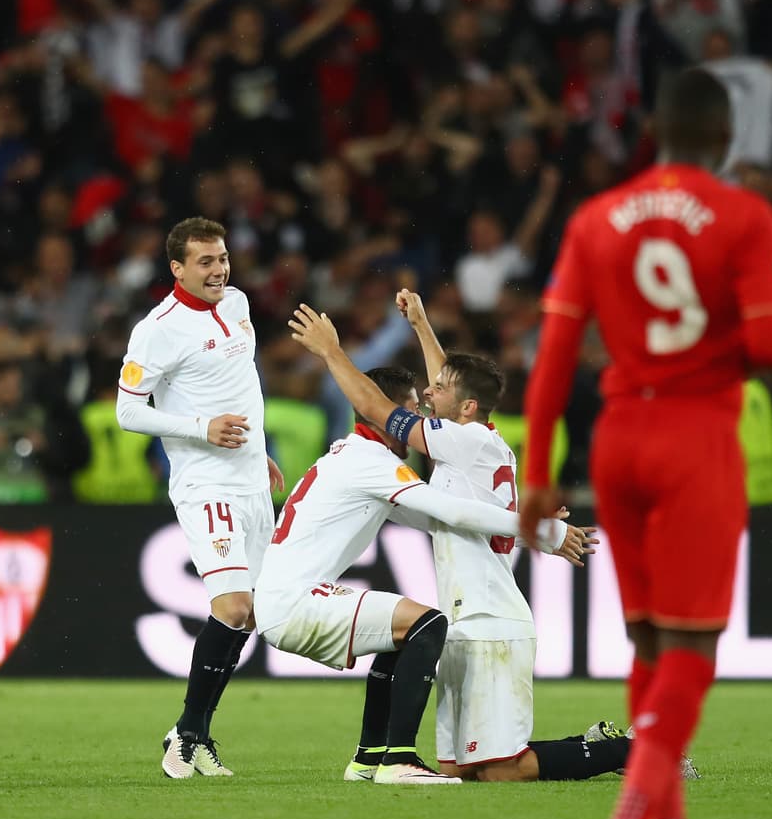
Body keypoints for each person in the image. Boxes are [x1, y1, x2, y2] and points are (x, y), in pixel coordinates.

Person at [521, 68, 772, 819]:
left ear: (655, 130)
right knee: (693, 650)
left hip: (617, 437)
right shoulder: (744, 215)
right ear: (724, 137)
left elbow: (556, 352)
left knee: (647, 646)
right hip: (695, 435)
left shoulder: (595, 217)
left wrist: (537, 472)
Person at [291, 292, 634, 784]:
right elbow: (445, 387)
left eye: (442, 389)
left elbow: (372, 406)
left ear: (467, 406)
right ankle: (592, 745)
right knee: (461, 769)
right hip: (462, 620)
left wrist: (330, 351)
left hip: (492, 619)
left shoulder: (466, 440)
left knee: (501, 772)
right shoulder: (471, 445)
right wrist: (423, 326)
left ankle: (626, 752)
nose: (429, 393)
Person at [254, 353, 577, 785]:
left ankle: (369, 758)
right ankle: (399, 759)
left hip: (286, 599)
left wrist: (529, 533)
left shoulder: (355, 456)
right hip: (297, 601)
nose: (421, 415)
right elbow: (451, 511)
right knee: (428, 624)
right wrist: (544, 529)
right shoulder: (374, 462)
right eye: (412, 409)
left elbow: (440, 520)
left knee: (402, 631)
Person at [116, 216, 284, 779]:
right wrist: (201, 427)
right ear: (177, 268)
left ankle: (194, 734)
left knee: (249, 616)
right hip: (205, 483)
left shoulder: (236, 305)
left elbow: (241, 384)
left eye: (223, 259)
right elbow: (128, 411)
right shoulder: (157, 329)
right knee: (232, 607)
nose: (218, 271)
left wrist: (256, 450)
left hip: (252, 481)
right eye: (205, 262)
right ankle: (188, 734)